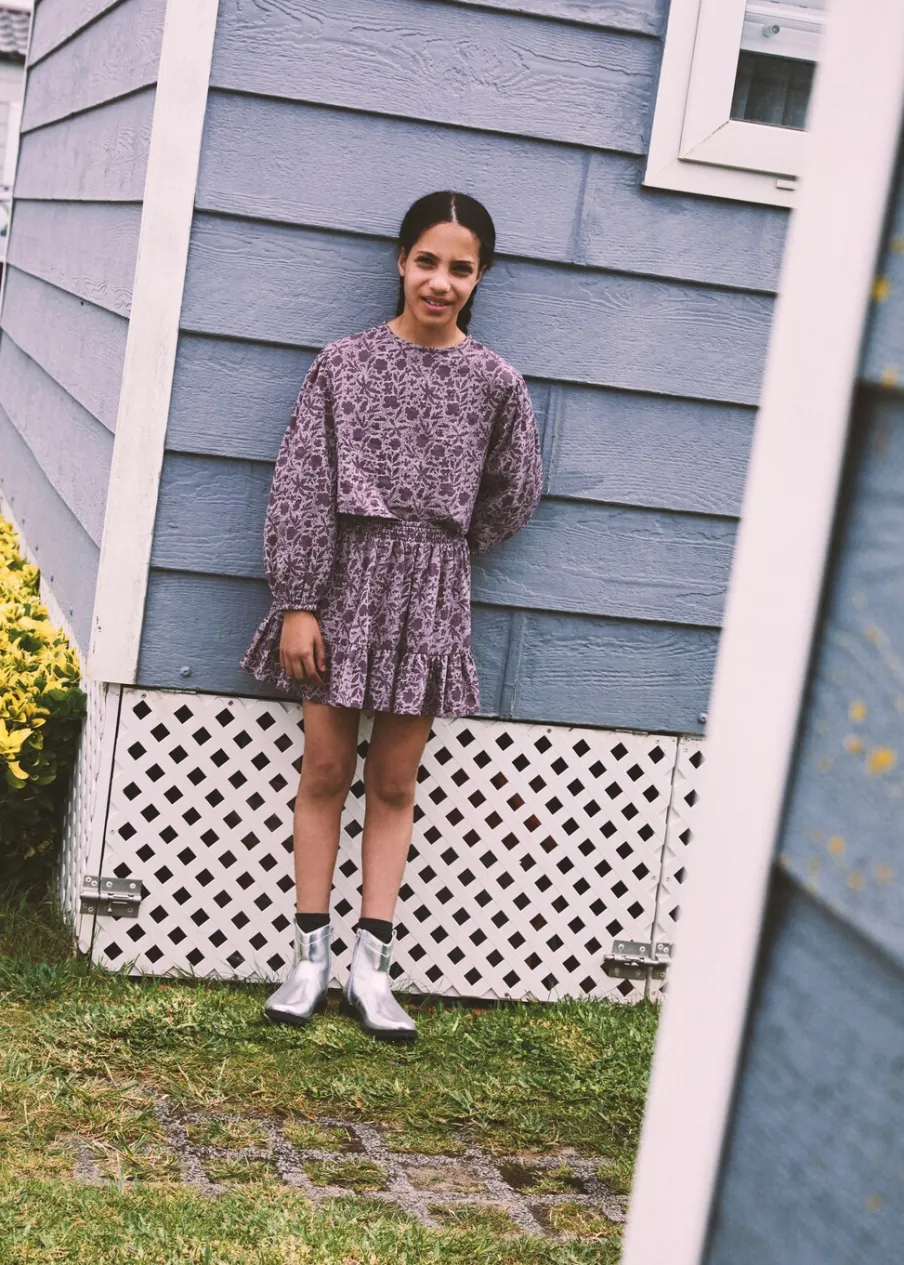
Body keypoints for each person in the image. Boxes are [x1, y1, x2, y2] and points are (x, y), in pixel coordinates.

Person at [241, 190, 543, 1043]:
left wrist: (449, 547)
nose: (441, 282)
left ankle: (371, 967)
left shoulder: (495, 382)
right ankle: (308, 958)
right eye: (428, 262)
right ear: (401, 261)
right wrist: (298, 601)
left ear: (480, 277)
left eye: (460, 268)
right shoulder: (343, 364)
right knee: (326, 769)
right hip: (341, 581)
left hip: (431, 591)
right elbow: (302, 482)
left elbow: (517, 488)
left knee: (396, 781)